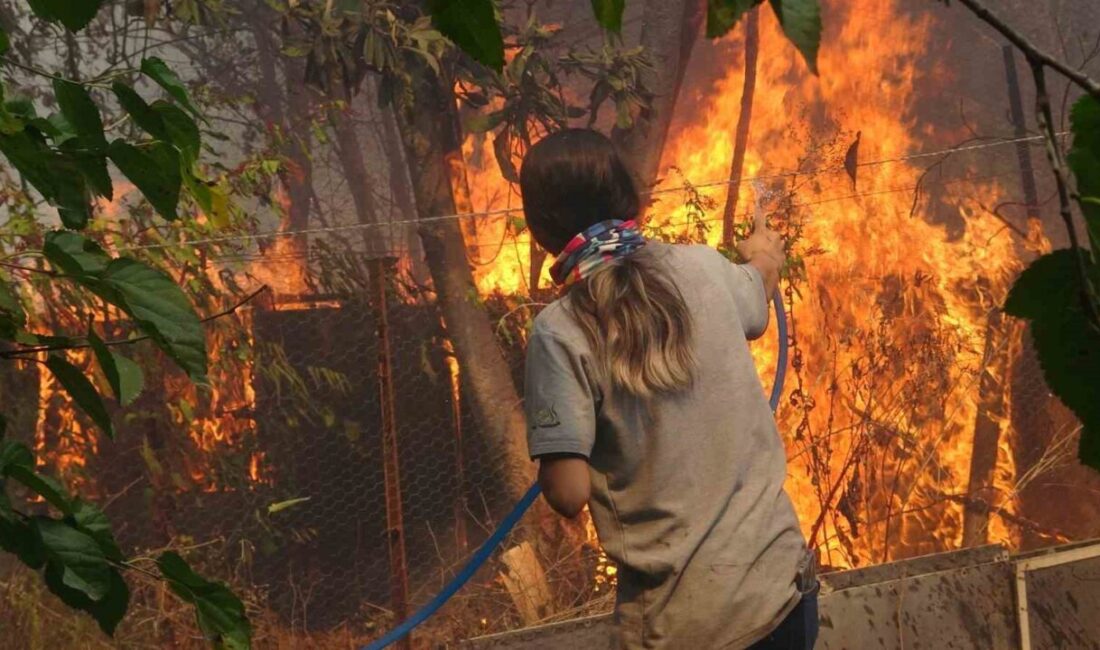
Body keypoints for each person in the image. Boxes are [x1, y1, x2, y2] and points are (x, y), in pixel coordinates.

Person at [518, 128, 818, 650]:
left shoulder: (559, 331)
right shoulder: (704, 267)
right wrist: (766, 254)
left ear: (541, 227)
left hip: (684, 627)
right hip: (782, 596)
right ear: (632, 199)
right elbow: (755, 297)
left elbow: (567, 494)